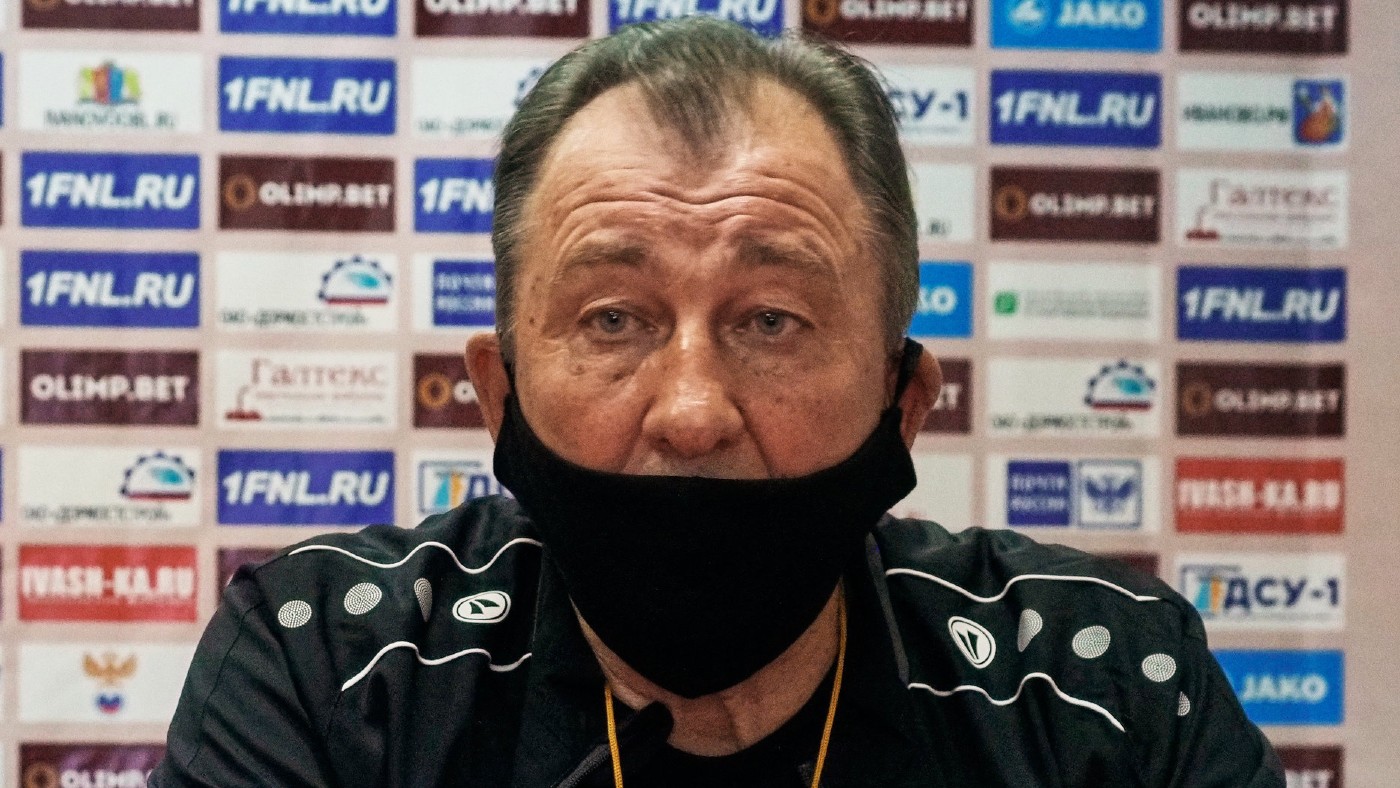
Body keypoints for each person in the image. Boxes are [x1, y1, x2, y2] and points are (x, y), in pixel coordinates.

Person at [151, 18, 1284, 788]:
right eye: (612, 319)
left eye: (771, 321)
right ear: (497, 393)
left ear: (903, 401)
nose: (692, 412)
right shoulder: (329, 670)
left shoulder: (1104, 688)